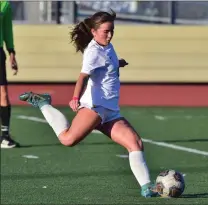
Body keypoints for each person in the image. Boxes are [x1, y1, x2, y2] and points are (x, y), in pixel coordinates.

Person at [19, 10, 159, 197]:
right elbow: (82, 77)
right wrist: (75, 98)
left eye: (112, 31)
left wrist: (118, 63)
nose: (109, 35)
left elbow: (106, 63)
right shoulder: (93, 51)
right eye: (105, 31)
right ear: (94, 31)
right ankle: (44, 103)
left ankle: (146, 186)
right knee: (67, 140)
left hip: (110, 110)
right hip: (95, 107)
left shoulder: (107, 46)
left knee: (135, 143)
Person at [0, 1, 20, 148]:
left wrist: (11, 51)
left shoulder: (4, 4)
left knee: (3, 93)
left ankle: (5, 137)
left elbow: (7, 29)